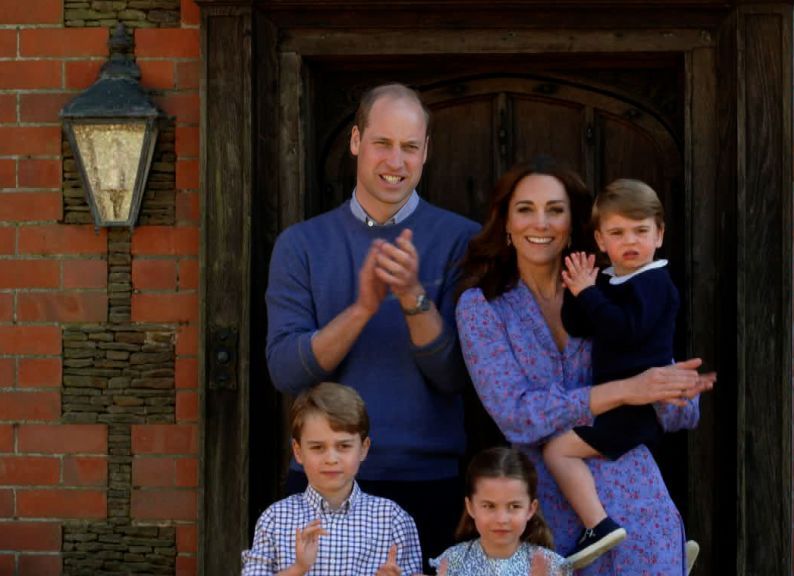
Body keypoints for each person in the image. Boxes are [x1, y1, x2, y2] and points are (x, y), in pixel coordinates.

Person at [455, 157, 714, 575]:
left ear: (573, 223)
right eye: (525, 209)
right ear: (505, 222)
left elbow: (677, 409)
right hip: (545, 513)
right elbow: (516, 416)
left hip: (637, 502)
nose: (540, 223)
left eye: (555, 210)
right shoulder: (482, 308)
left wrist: (677, 392)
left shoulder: (612, 289)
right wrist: (626, 391)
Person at [265, 83, 479, 567]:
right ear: (356, 141)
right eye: (383, 143)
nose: (396, 162)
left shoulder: (463, 241)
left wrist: (412, 298)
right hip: (322, 483)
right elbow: (286, 372)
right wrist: (362, 308)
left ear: (426, 151)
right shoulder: (300, 245)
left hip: (428, 483)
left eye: (409, 147)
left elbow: (455, 377)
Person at [544, 178, 681, 568]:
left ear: (659, 234)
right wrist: (578, 289)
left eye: (641, 231)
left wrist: (590, 293)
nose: (630, 241)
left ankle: (598, 525)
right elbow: (579, 325)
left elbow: (625, 330)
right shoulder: (612, 280)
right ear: (601, 241)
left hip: (634, 409)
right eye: (618, 233)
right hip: (617, 403)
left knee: (558, 450)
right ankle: (667, 548)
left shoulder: (655, 282)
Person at [242, 383, 422, 576]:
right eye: (317, 447)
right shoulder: (275, 519)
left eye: (343, 446)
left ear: (363, 448)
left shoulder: (393, 520)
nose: (331, 459)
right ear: (298, 451)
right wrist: (298, 568)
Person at [430, 447, 571, 576]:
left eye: (514, 506)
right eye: (489, 506)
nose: (501, 519)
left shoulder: (551, 566)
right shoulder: (452, 561)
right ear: (471, 507)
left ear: (530, 509)